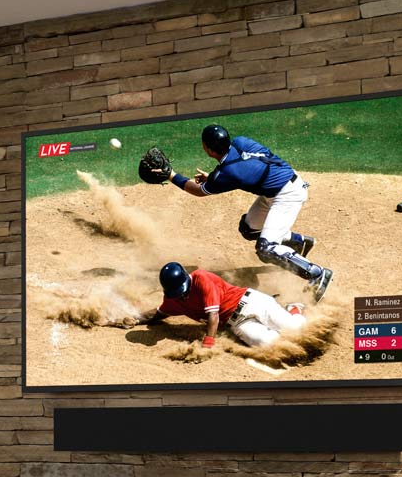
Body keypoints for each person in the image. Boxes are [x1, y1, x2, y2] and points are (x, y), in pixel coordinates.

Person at [138, 125, 333, 301]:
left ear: (207, 149)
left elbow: (199, 190)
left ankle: (316, 274)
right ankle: (299, 241)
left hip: (287, 195)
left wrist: (171, 175)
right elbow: (248, 166)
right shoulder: (240, 142)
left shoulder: (228, 174)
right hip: (279, 186)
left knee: (265, 248)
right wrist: (214, 177)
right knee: (248, 229)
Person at [141, 262, 307, 349]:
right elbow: (157, 314)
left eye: (181, 290)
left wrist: (208, 343)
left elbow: (214, 316)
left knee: (296, 329)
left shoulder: (201, 278)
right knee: (270, 344)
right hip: (239, 323)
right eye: (176, 293)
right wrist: (129, 318)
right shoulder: (174, 300)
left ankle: (293, 308)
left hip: (252, 302)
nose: (181, 295)